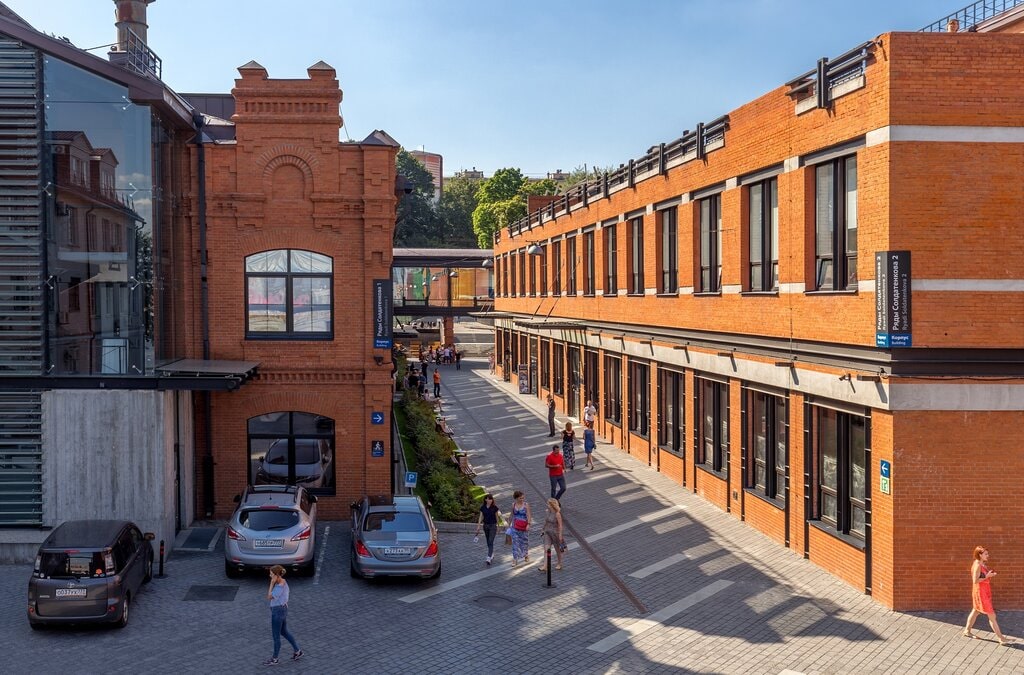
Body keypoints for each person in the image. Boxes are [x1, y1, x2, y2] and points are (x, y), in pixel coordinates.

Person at [963, 546, 1012, 645]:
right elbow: (975, 580)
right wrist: (987, 576)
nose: (988, 555)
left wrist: (989, 575)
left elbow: (982, 577)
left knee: (975, 611)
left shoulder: (981, 563)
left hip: (984, 591)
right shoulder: (977, 565)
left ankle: (967, 631)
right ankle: (1001, 638)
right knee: (992, 615)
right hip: (980, 593)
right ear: (980, 555)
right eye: (986, 554)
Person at [263, 565, 303, 666]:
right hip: (282, 610)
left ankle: (275, 659)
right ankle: (298, 651)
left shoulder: (279, 586)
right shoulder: (283, 582)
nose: (270, 576)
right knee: (284, 632)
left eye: (271, 574)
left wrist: (271, 583)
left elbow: (269, 597)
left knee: (276, 636)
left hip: (278, 612)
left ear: (276, 575)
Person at [538, 498, 564, 572]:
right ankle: (545, 566)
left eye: (548, 504)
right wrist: (543, 529)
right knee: (546, 549)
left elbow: (560, 525)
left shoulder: (557, 514)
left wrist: (560, 535)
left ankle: (559, 563)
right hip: (547, 532)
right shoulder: (547, 511)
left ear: (552, 505)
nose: (547, 505)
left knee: (557, 550)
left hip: (555, 533)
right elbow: (546, 521)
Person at [475, 493, 501, 565]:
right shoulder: (483, 508)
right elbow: (481, 517)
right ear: (485, 500)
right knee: (488, 541)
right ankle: (491, 553)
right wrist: (478, 526)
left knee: (490, 541)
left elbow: (497, 517)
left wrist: (498, 526)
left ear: (492, 500)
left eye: (491, 499)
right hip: (485, 526)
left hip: (493, 526)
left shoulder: (495, 508)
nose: (489, 500)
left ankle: (488, 557)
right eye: (488, 499)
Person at [509, 490, 532, 566]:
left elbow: (529, 515)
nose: (522, 499)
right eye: (520, 498)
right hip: (515, 526)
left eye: (523, 498)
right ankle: (515, 559)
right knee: (515, 542)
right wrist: (508, 524)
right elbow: (511, 515)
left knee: (524, 541)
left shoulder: (526, 505)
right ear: (516, 498)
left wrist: (528, 524)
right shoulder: (513, 505)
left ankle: (526, 554)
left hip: (524, 526)